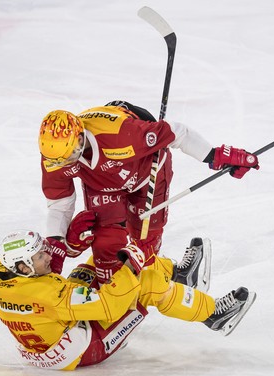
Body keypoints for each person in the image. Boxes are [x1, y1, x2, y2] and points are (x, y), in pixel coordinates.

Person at [38, 101, 259, 286]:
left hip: (145, 172)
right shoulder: (55, 156)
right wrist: (56, 241)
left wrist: (214, 155)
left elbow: (176, 132)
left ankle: (169, 277)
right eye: (60, 160)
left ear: (80, 138)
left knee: (145, 242)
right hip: (102, 183)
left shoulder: (121, 136)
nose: (65, 163)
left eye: (70, 155)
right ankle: (116, 296)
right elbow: (59, 204)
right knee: (106, 245)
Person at [0, 230, 256, 370]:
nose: (47, 256)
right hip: (83, 350)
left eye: (44, 250)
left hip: (54, 331)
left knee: (101, 264)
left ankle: (181, 275)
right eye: (40, 256)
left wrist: (65, 244)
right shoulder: (50, 295)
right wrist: (132, 268)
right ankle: (214, 316)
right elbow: (109, 305)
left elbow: (47, 282)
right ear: (23, 267)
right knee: (144, 283)